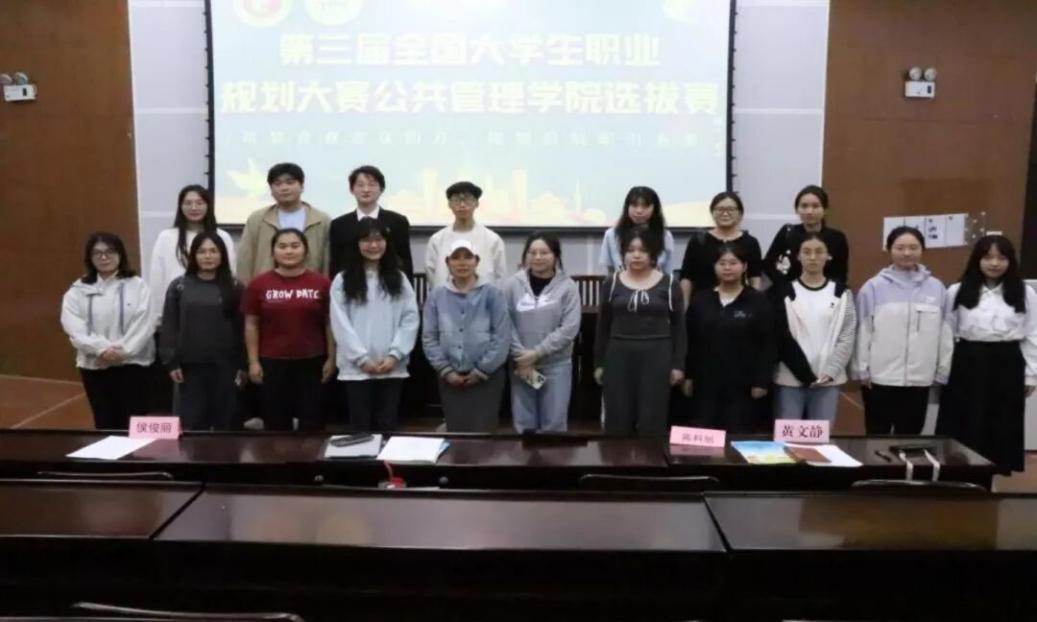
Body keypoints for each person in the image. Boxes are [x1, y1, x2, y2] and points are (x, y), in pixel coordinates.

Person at [938, 235, 1037, 473]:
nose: (994, 263)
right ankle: (960, 475)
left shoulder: (1025, 292)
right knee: (965, 420)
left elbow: (1033, 334)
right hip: (967, 360)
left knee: (1001, 422)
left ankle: (991, 476)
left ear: (1010, 261)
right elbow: (946, 332)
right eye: (988, 257)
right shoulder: (957, 290)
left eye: (1001, 258)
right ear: (977, 260)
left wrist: (1031, 374)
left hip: (1007, 361)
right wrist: (943, 371)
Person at [855, 226, 953, 435]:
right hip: (880, 378)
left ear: (922, 250)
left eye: (913, 247)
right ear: (889, 249)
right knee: (876, 435)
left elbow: (945, 333)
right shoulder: (872, 287)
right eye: (900, 248)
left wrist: (943, 370)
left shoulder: (937, 288)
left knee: (910, 437)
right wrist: (862, 369)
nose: (907, 253)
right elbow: (863, 331)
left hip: (920, 379)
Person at [594, 225, 685, 436]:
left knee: (652, 419)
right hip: (618, 355)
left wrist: (678, 365)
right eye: (630, 250)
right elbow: (603, 326)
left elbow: (679, 327)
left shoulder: (669, 283)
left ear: (653, 254)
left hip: (657, 355)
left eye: (643, 250)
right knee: (618, 418)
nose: (636, 255)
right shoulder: (611, 283)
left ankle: (651, 458)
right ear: (623, 253)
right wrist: (599, 363)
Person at [330, 218, 420, 432]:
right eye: (366, 240)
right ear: (356, 244)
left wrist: (395, 355)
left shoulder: (399, 278)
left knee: (387, 426)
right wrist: (361, 359)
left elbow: (410, 319)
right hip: (357, 368)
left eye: (379, 239)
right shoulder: (343, 280)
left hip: (391, 367)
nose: (373, 245)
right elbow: (340, 323)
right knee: (360, 428)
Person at [242, 228, 334, 431]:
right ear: (273, 252)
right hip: (271, 364)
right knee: (276, 426)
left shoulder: (322, 283)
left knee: (313, 425)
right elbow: (251, 324)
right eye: (282, 246)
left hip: (313, 363)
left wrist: (331, 358)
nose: (289, 251)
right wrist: (253, 362)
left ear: (305, 250)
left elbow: (329, 323)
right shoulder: (258, 284)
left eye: (295, 246)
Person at [60, 232, 154, 429]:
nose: (104, 257)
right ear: (90, 258)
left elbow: (145, 322)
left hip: (132, 366)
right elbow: (73, 325)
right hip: (95, 365)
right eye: (97, 253)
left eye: (110, 252)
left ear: (120, 254)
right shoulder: (78, 289)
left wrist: (122, 352)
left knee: (134, 423)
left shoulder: (138, 286)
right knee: (104, 422)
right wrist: (101, 350)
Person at [422, 239, 512, 432]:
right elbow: (429, 338)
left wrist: (481, 370)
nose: (462, 263)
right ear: (447, 262)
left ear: (476, 261)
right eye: (456, 258)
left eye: (467, 257)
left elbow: (502, 337)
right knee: (456, 430)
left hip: (487, 376)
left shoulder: (493, 294)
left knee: (484, 431)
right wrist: (446, 370)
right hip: (449, 377)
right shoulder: (437, 296)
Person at [685, 243, 775, 433]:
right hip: (705, 382)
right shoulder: (701, 299)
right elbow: (691, 341)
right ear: (714, 266)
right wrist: (688, 376)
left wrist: (761, 381)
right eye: (722, 263)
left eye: (733, 263)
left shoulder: (757, 301)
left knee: (738, 435)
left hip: (743, 384)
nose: (727, 268)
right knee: (705, 433)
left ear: (744, 266)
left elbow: (768, 344)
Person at [159, 232, 244, 431]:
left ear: (222, 255)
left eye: (213, 251)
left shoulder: (235, 286)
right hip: (190, 368)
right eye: (202, 251)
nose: (208, 256)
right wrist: (171, 362)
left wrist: (244, 365)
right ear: (193, 256)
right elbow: (169, 325)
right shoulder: (179, 286)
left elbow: (242, 328)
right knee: (193, 425)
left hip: (226, 367)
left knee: (226, 424)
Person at [771, 234, 857, 422]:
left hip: (827, 379)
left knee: (821, 436)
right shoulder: (784, 292)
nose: (812, 257)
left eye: (819, 252)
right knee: (788, 436)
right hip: (790, 379)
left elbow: (847, 335)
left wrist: (831, 371)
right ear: (798, 256)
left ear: (828, 256)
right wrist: (803, 373)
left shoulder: (842, 293)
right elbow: (780, 336)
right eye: (807, 252)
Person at [502, 232, 581, 432]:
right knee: (524, 424)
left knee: (554, 425)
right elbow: (505, 322)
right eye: (532, 252)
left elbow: (569, 328)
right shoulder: (512, 285)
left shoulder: (568, 287)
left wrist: (537, 353)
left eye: (544, 253)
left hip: (556, 365)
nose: (537, 257)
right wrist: (521, 356)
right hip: (521, 365)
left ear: (556, 256)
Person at [147, 184, 236, 328]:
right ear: (180, 207)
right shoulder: (166, 237)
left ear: (208, 206)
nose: (194, 208)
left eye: (199, 203)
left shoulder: (223, 237)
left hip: (217, 310)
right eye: (188, 203)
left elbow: (230, 274)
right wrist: (158, 316)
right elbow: (157, 279)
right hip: (177, 311)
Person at [237, 162, 331, 284]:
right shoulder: (257, 219)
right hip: (267, 288)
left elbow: (327, 261)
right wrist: (246, 289)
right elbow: (245, 259)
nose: (284, 188)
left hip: (310, 289)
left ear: (302, 186)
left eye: (290, 182)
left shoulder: (321, 220)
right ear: (271, 190)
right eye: (277, 184)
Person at [679, 191, 763, 309]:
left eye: (730, 209)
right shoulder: (698, 241)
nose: (725, 213)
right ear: (712, 212)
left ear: (740, 213)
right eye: (720, 209)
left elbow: (755, 277)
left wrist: (755, 304)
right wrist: (684, 306)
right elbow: (687, 276)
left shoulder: (750, 242)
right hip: (702, 305)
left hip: (739, 304)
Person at [328, 165, 413, 279]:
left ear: (381, 189)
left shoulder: (398, 222)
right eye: (360, 185)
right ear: (351, 189)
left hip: (390, 283)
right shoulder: (339, 225)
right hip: (349, 284)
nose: (366, 190)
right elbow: (335, 264)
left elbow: (405, 261)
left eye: (372, 185)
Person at [424, 181, 507, 289]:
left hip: (484, 298)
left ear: (476, 203)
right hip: (446, 297)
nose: (462, 205)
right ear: (449, 204)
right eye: (456, 200)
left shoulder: (492, 239)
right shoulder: (437, 240)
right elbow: (431, 273)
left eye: (467, 199)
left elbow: (500, 276)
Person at [763, 185, 849, 286]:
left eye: (815, 206)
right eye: (804, 206)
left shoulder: (837, 238)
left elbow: (840, 274)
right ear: (797, 209)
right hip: (788, 292)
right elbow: (768, 265)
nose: (809, 211)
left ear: (825, 210)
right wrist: (785, 288)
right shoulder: (788, 233)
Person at [600, 186, 675, 275]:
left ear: (655, 208)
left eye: (645, 206)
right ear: (627, 207)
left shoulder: (665, 236)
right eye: (634, 205)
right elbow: (610, 271)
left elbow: (667, 272)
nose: (639, 211)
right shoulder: (611, 235)